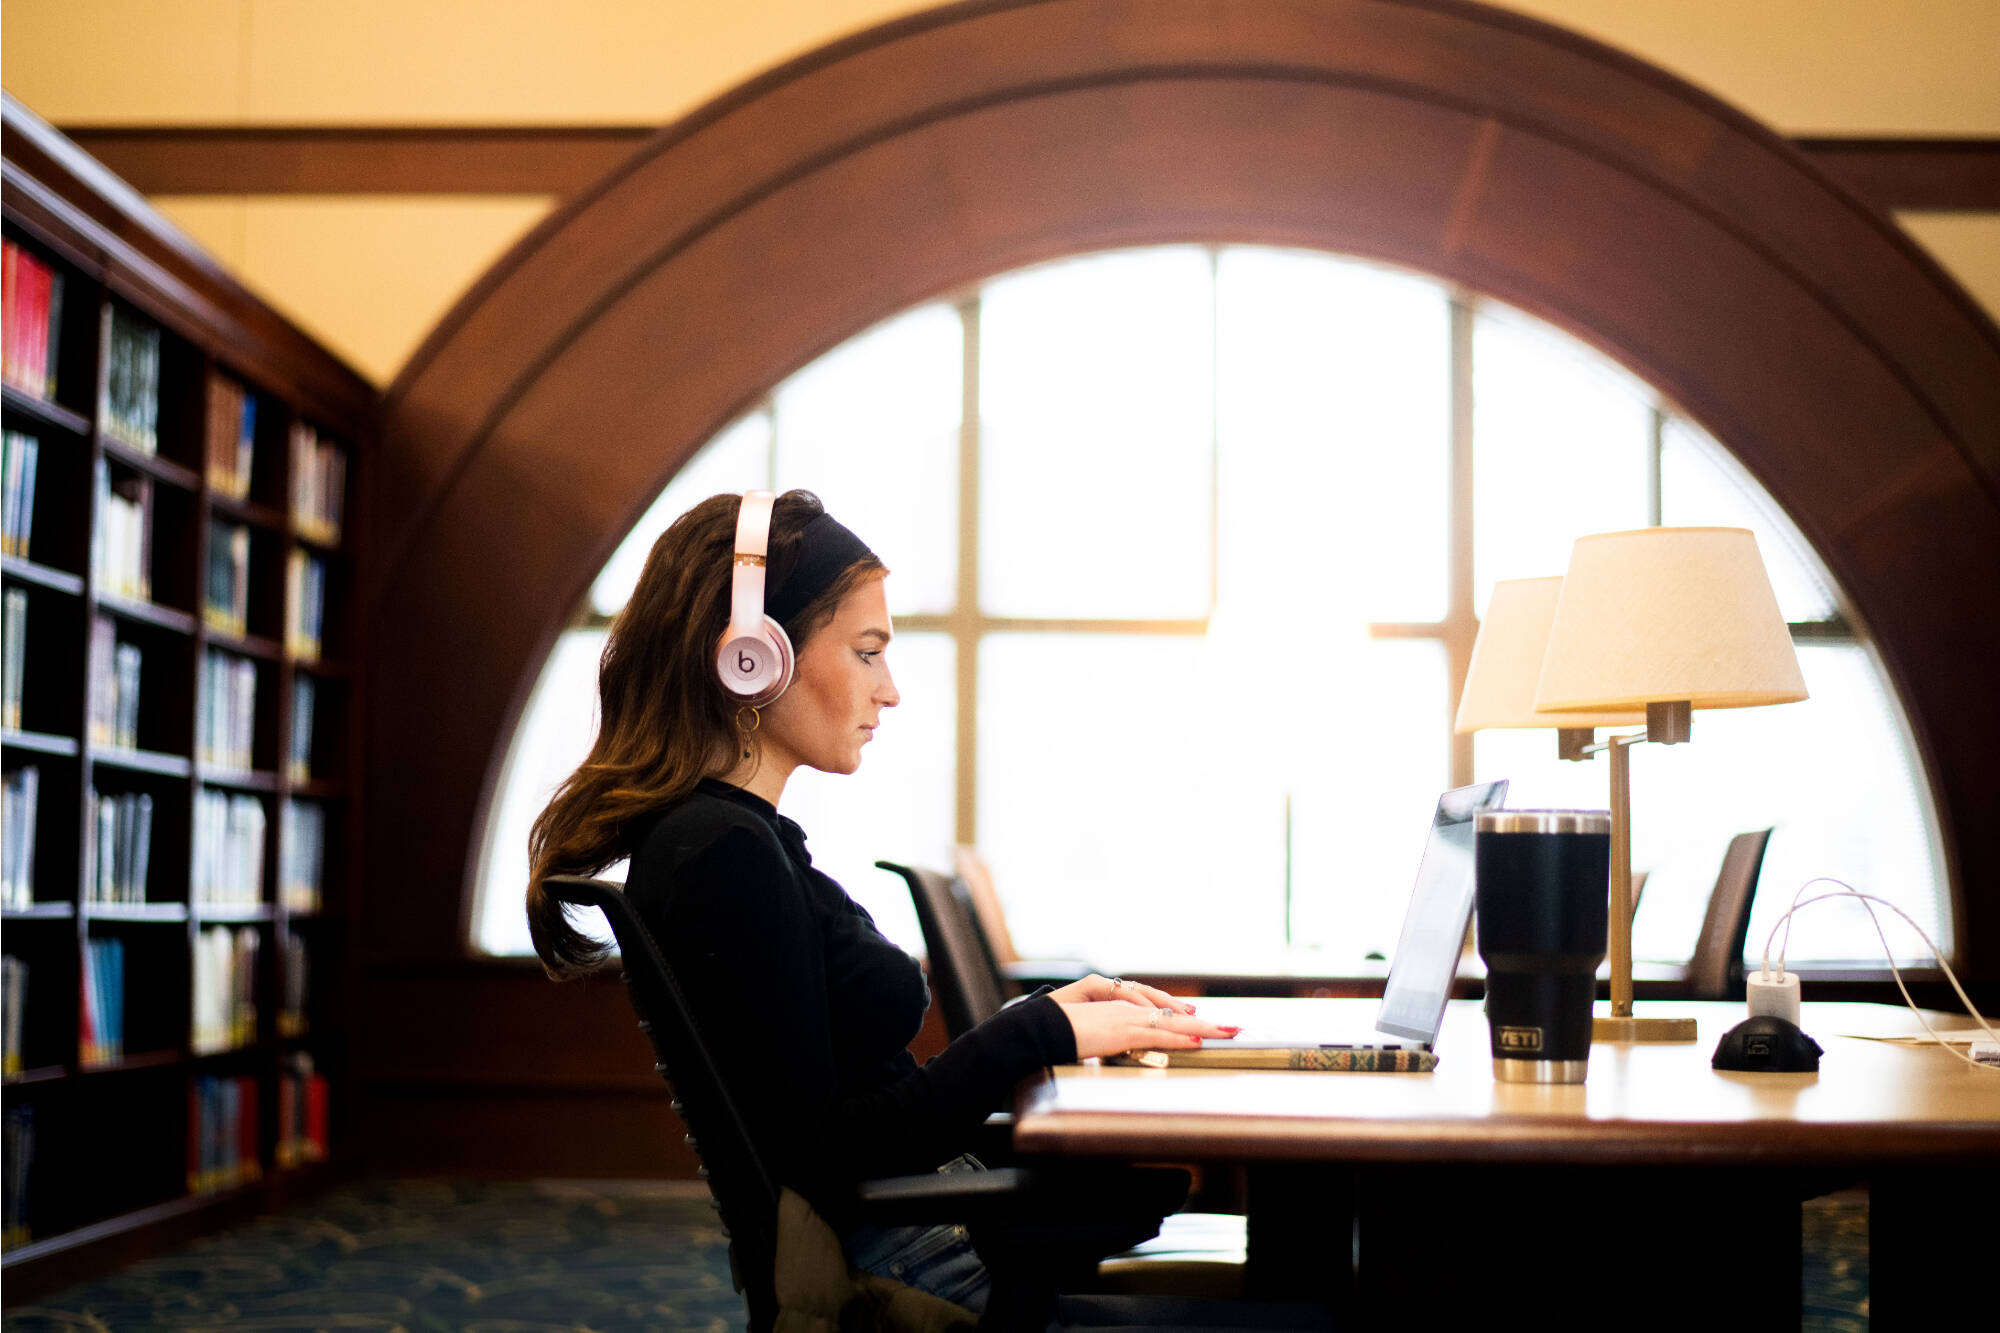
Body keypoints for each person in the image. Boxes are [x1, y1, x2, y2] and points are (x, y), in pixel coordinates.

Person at [525, 489, 1237, 1313]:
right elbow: (830, 1148)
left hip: (929, 1231)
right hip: (920, 1261)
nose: (890, 690)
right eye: (867, 651)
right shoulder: (722, 854)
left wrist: (1049, 1019)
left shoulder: (733, 840)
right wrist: (1032, 1030)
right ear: (753, 656)